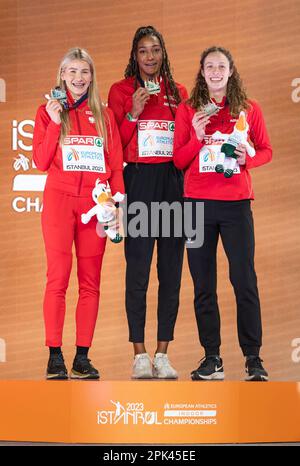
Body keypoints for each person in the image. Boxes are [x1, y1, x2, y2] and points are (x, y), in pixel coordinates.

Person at [173, 46, 272, 382]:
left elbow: (266, 150)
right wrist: (198, 137)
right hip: (196, 204)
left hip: (236, 204)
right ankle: (212, 356)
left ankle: (253, 357)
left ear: (231, 71)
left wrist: (248, 159)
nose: (215, 71)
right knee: (203, 284)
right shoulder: (189, 110)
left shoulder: (248, 109)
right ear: (202, 72)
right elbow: (178, 160)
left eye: (221, 66)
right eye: (209, 66)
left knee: (244, 279)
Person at [33, 47, 125, 380]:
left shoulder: (105, 114)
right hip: (59, 202)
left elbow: (115, 166)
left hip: (94, 206)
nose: (78, 78)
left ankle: (82, 357)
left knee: (91, 283)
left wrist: (115, 205)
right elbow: (40, 162)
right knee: (57, 278)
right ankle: (54, 355)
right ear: (62, 75)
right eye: (72, 71)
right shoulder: (47, 112)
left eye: (84, 72)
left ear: (91, 76)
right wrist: (56, 122)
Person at [108, 26, 188, 379]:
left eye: (155, 49)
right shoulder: (121, 90)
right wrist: (132, 112)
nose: (150, 57)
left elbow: (185, 145)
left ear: (163, 53)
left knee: (170, 271)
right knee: (138, 270)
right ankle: (139, 353)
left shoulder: (179, 92)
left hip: (172, 183)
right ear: (135, 55)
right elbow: (115, 144)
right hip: (138, 180)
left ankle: (163, 352)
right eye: (143, 51)